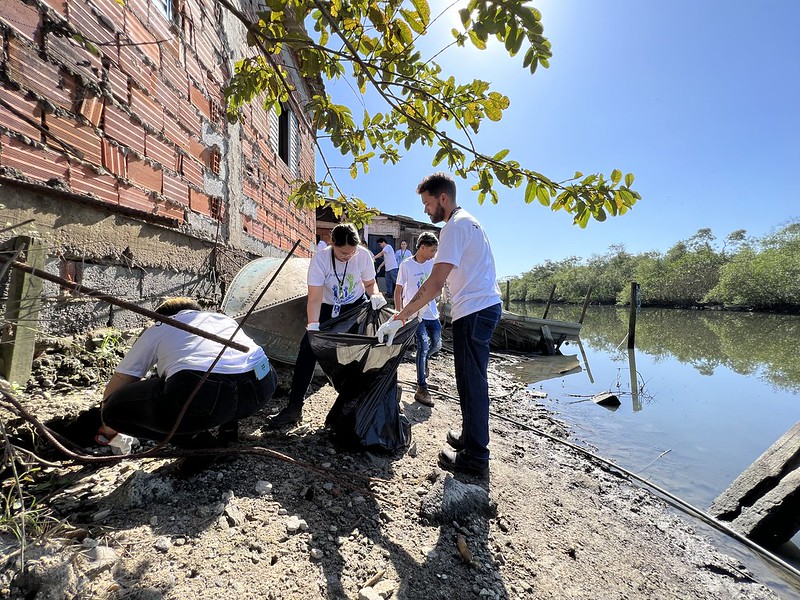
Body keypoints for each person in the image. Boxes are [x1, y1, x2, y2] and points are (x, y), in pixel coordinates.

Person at [377, 173, 501, 476]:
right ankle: (472, 437)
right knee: (469, 381)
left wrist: (401, 315)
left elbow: (434, 284)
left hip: (474, 309)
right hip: (478, 307)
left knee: (472, 383)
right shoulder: (467, 222)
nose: (425, 210)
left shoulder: (455, 227)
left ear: (442, 198)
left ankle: (476, 458)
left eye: (427, 203)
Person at [99, 297, 277, 470]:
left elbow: (122, 380)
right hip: (261, 387)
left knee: (113, 410)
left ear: (162, 316)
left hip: (205, 392)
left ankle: (201, 446)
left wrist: (108, 426)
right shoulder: (222, 319)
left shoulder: (160, 326)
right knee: (228, 368)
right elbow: (232, 368)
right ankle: (229, 437)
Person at [267, 223, 386, 429]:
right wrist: (313, 326)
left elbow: (368, 284)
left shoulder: (364, 256)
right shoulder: (321, 259)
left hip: (354, 308)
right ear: (332, 244)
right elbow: (314, 298)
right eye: (343, 252)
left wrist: (375, 294)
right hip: (326, 308)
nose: (348, 256)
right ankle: (294, 407)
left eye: (352, 252)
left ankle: (358, 409)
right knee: (307, 350)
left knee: (359, 356)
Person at [394, 232, 441, 408]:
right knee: (423, 345)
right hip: (415, 314)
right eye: (432, 250)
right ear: (422, 247)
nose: (433, 254)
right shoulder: (406, 265)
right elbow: (398, 290)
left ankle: (424, 361)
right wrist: (400, 314)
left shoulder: (433, 264)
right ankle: (422, 387)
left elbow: (437, 286)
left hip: (432, 313)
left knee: (435, 345)